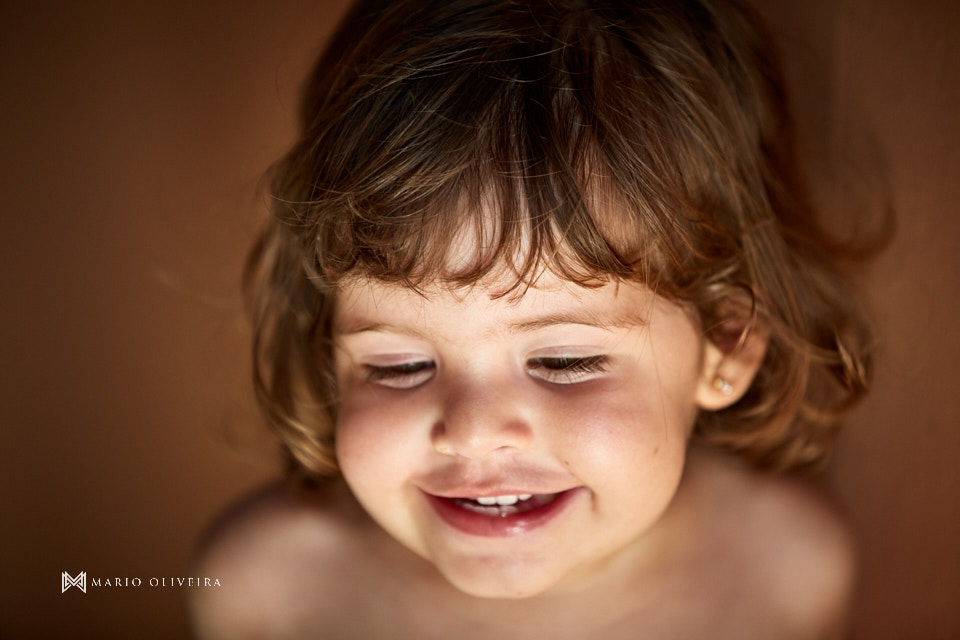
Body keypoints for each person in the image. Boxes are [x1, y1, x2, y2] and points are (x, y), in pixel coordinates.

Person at [189, 0, 871, 637]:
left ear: (725, 347)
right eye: (399, 366)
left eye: (563, 361)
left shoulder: (787, 568)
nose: (475, 435)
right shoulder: (268, 588)